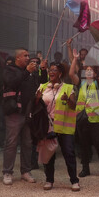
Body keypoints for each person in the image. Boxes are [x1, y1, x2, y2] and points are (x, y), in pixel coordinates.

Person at [36, 60, 81, 190]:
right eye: (50, 70)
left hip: (64, 126)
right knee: (49, 153)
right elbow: (35, 106)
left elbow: (73, 107)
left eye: (54, 70)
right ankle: (49, 180)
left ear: (60, 73)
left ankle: (74, 181)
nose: (51, 72)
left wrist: (67, 99)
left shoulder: (68, 87)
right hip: (48, 126)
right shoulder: (42, 86)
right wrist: (37, 98)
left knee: (69, 153)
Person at [2, 48, 41, 185]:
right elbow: (12, 83)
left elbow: (36, 87)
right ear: (17, 58)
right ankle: (7, 172)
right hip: (14, 112)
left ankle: (25, 171)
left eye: (28, 55)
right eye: (25, 56)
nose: (27, 58)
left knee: (27, 143)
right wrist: (27, 72)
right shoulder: (9, 70)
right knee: (11, 142)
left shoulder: (31, 73)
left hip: (28, 111)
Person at [75, 62, 99, 179]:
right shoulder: (82, 84)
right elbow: (71, 73)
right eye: (87, 70)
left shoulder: (97, 83)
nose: (88, 71)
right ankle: (85, 169)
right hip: (82, 119)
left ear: (95, 74)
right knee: (84, 146)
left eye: (91, 70)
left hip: (96, 119)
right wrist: (75, 59)